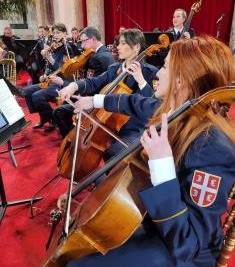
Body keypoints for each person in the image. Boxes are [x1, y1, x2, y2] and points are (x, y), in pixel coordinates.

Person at [58, 35, 235, 267]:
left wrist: (162, 169)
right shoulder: (178, 112)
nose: (158, 73)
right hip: (153, 220)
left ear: (180, 81)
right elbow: (134, 103)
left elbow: (188, 243)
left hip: (181, 253)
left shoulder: (212, 147)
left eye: (164, 67)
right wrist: (95, 100)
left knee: (77, 265)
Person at [55, 29, 158, 160]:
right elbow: (94, 82)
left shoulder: (150, 72)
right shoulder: (115, 69)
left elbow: (152, 104)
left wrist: (142, 81)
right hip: (107, 118)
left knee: (112, 153)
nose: (118, 47)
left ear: (136, 47)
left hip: (133, 126)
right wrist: (73, 85)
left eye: (123, 43)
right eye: (118, 43)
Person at [24, 23, 75, 132]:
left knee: (37, 96)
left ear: (65, 33)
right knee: (27, 91)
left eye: (58, 33)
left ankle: (53, 120)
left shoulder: (67, 48)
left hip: (62, 82)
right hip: (50, 80)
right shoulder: (55, 47)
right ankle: (45, 117)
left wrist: (50, 58)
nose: (55, 35)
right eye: (54, 33)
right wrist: (45, 75)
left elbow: (64, 70)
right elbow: (50, 67)